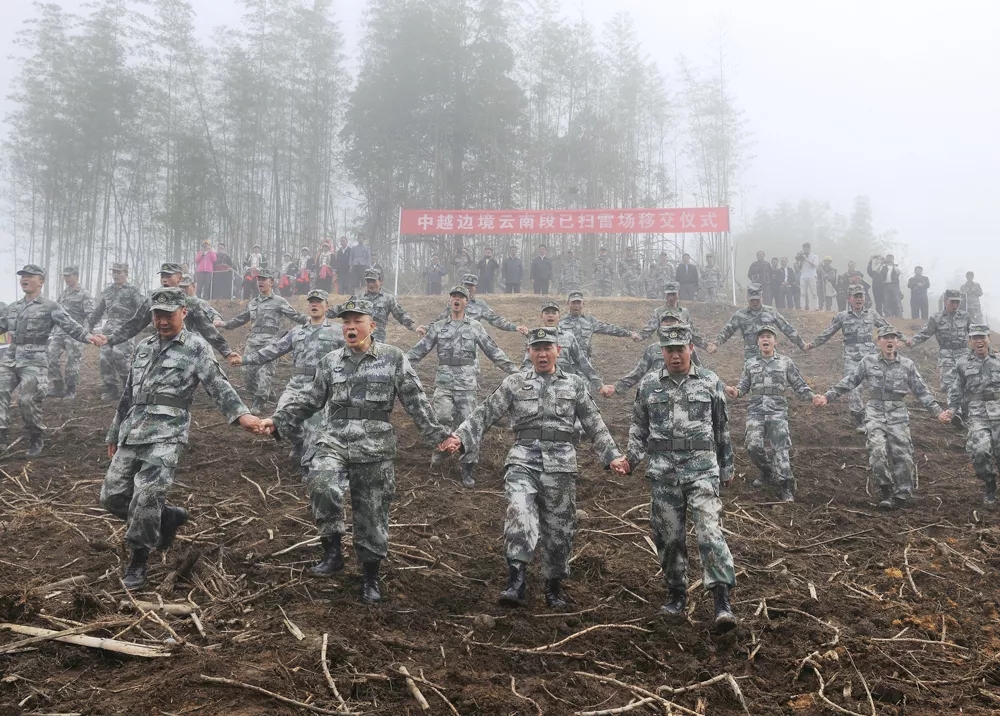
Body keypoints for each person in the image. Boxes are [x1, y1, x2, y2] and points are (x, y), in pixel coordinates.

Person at [259, 299, 450, 603]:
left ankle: (370, 576)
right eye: (346, 322)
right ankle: (332, 551)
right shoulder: (330, 361)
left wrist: (437, 436)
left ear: (372, 325)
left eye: (357, 321)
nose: (350, 326)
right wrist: (277, 420)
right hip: (333, 439)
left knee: (371, 513)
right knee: (321, 482)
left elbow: (416, 401)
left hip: (375, 446)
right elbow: (309, 399)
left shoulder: (393, 358)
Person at [440, 326, 627, 608]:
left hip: (561, 464)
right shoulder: (515, 383)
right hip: (522, 459)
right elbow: (485, 412)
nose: (542, 354)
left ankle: (553, 587)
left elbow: (594, 423)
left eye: (547, 348)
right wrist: (460, 437)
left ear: (557, 351)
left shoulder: (574, 384)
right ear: (529, 352)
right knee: (518, 511)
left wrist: (611, 455)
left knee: (559, 529)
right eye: (536, 348)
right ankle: (516, 578)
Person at [101, 287, 260, 590]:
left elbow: (218, 384)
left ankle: (138, 559)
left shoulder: (196, 347)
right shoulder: (144, 347)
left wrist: (242, 416)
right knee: (111, 497)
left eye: (168, 315)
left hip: (167, 434)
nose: (161, 321)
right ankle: (168, 516)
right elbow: (127, 394)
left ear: (183, 313)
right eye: (157, 314)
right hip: (133, 430)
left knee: (146, 497)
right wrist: (114, 430)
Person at [610, 325, 737, 633]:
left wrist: (727, 466)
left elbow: (722, 427)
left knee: (709, 531)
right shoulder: (650, 384)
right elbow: (639, 428)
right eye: (669, 349)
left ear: (691, 348)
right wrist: (631, 459)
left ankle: (722, 600)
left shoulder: (710, 381)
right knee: (668, 538)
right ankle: (676, 594)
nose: (676, 354)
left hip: (702, 470)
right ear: (662, 352)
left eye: (681, 348)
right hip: (664, 473)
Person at [822, 326, 951, 510]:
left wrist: (938, 411)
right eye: (885, 338)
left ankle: (902, 494)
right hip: (875, 411)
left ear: (897, 342)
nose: (889, 341)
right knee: (877, 450)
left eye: (893, 338)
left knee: (903, 455)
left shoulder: (907, 365)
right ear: (879, 341)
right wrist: (828, 396)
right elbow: (850, 381)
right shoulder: (868, 362)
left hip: (898, 413)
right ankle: (886, 490)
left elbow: (922, 391)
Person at [406, 286, 519, 488]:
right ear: (449, 301)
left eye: (461, 297)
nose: (457, 300)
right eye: (454, 297)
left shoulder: (475, 327)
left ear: (467, 302)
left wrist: (515, 371)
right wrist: (399, 364)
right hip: (444, 381)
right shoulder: (439, 327)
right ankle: (440, 450)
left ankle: (467, 467)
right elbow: (419, 350)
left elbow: (493, 351)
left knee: (470, 425)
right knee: (441, 416)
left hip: (467, 383)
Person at [232, 289, 344, 474]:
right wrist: (244, 359)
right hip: (296, 385)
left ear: (327, 306)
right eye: (311, 302)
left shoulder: (337, 331)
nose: (314, 305)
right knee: (282, 419)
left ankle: (308, 470)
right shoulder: (297, 332)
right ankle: (299, 443)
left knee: (312, 427)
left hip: (321, 387)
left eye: (319, 302)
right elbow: (272, 350)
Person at [0, 265, 103, 455]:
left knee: (27, 400)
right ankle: (1, 439)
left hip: (35, 359)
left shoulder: (50, 306)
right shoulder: (13, 307)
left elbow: (70, 325)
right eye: (22, 276)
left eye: (30, 276)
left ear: (41, 281)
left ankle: (36, 436)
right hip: (11, 358)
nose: (25, 279)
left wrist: (89, 337)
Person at [727, 326, 825, 502]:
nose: (765, 340)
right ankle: (767, 471)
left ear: (775, 341)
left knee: (781, 448)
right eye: (762, 337)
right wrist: (736, 392)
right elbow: (743, 386)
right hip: (756, 411)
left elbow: (799, 384)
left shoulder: (785, 362)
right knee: (752, 446)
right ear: (758, 342)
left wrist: (812, 397)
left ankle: (785, 486)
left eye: (769, 336)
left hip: (777, 411)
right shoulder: (750, 363)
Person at [101, 263, 237, 365]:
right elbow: (135, 324)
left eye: (168, 276)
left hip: (185, 351)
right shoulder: (152, 300)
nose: (164, 280)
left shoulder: (190, 303)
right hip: (160, 350)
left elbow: (208, 330)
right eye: (162, 276)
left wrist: (227, 352)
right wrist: (111, 338)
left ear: (179, 278)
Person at [806, 285, 894, 428]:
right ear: (849, 299)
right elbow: (828, 332)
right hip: (851, 359)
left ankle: (885, 419)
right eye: (856, 296)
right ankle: (861, 419)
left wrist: (905, 340)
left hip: (871, 358)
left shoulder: (872, 314)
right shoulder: (842, 316)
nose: (859, 299)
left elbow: (888, 328)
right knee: (852, 388)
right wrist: (812, 345)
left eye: (861, 296)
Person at [222, 269, 307, 414]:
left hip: (271, 342)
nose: (260, 282)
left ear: (271, 282)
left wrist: (314, 322)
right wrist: (225, 324)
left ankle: (259, 402)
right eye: (258, 279)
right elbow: (242, 318)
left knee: (264, 372)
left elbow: (295, 315)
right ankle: (268, 394)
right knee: (247, 374)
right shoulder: (253, 302)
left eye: (264, 279)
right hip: (253, 341)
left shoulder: (279, 301)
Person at [600, 309, 706, 398]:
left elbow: (700, 372)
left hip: (685, 393)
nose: (669, 323)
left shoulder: (687, 348)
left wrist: (716, 385)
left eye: (672, 321)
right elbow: (638, 373)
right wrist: (617, 387)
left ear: (678, 324)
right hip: (660, 395)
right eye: (666, 321)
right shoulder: (652, 349)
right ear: (660, 325)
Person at [950, 325, 1000, 505]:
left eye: (983, 337)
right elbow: (956, 389)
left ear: (989, 338)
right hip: (977, 414)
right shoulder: (962, 363)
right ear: (970, 341)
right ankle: (990, 485)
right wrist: (952, 409)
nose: (979, 341)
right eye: (975, 338)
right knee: (979, 451)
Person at [88, 262, 145, 401]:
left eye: (119, 272)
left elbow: (142, 308)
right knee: (105, 358)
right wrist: (90, 324)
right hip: (108, 328)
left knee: (119, 356)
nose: (116, 275)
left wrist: (139, 325)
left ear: (126, 273)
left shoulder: (133, 290)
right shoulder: (107, 291)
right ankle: (111, 389)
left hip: (125, 329)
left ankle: (128, 388)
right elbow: (99, 310)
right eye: (114, 272)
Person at [906, 288, 972, 407]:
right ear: (945, 301)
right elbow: (925, 333)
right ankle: (955, 410)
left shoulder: (965, 316)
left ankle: (964, 410)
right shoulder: (936, 318)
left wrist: (989, 350)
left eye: (958, 302)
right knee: (948, 384)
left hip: (963, 353)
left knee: (966, 381)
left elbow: (976, 335)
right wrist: (911, 341)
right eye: (952, 301)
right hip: (946, 354)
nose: (955, 304)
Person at [709, 283, 807, 360]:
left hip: (770, 356)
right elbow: (727, 330)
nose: (755, 302)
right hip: (751, 358)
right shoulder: (741, 315)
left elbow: (787, 328)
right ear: (747, 299)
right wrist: (716, 343)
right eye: (752, 300)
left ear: (761, 298)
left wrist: (802, 344)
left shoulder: (771, 312)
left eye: (757, 300)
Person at [523, 303, 603, 393]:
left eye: (554, 313)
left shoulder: (568, 337)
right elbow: (527, 364)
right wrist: (521, 382)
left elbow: (582, 361)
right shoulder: (533, 337)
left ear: (559, 316)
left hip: (565, 385)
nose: (550, 315)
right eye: (547, 313)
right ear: (541, 316)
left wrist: (597, 382)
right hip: (540, 385)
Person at [329, 268, 422, 344]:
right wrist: (324, 314)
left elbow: (401, 315)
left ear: (380, 281)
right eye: (368, 281)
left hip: (378, 338)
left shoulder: (388, 299)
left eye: (373, 281)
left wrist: (414, 327)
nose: (371, 284)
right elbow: (342, 308)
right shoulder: (358, 298)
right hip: (359, 336)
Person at [423, 274, 529, 336]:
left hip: (471, 346)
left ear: (475, 288)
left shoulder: (480, 305)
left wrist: (515, 327)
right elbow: (440, 320)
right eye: (466, 285)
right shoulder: (453, 303)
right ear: (461, 286)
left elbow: (496, 320)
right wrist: (426, 328)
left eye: (471, 286)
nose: (468, 288)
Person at [47, 266, 95, 400]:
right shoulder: (64, 293)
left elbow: (90, 314)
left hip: (75, 333)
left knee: (71, 362)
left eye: (69, 276)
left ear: (76, 276)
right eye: (65, 276)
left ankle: (71, 390)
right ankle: (57, 387)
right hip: (59, 332)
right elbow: (55, 312)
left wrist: (89, 331)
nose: (66, 278)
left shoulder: (84, 294)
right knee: (50, 357)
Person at [558, 291, 639, 358]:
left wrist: (629, 333)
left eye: (579, 303)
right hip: (566, 363)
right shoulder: (560, 323)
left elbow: (609, 328)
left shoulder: (590, 321)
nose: (576, 306)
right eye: (573, 303)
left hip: (584, 365)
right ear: (568, 303)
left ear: (583, 304)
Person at [876, 254, 903, 318]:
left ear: (893, 259)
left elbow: (899, 272)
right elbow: (876, 270)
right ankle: (888, 315)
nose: (889, 260)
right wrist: (881, 263)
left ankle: (898, 314)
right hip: (885, 285)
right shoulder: (883, 267)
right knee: (886, 299)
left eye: (890, 258)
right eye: (888, 258)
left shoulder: (896, 267)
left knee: (896, 299)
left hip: (894, 285)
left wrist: (893, 265)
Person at [798, 242, 820, 310]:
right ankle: (802, 307)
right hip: (803, 276)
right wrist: (801, 259)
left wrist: (806, 259)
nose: (805, 250)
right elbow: (799, 267)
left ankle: (816, 307)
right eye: (804, 249)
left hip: (812, 275)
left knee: (813, 292)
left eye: (807, 248)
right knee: (802, 293)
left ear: (809, 249)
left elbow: (815, 265)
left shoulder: (814, 256)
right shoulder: (802, 257)